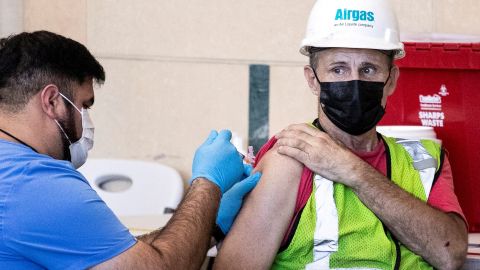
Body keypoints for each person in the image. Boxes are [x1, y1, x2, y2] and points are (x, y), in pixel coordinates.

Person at [215, 0, 468, 269]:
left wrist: (352, 171)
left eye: (368, 69)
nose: (354, 81)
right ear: (313, 80)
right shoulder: (290, 157)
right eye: (338, 69)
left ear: (391, 79)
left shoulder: (423, 160)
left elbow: (449, 253)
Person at [0, 30, 260, 269]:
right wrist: (208, 185)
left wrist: (210, 226)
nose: (87, 122)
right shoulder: (36, 184)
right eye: (84, 106)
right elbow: (158, 267)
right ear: (53, 101)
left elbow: (117, 255)